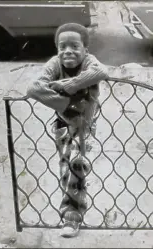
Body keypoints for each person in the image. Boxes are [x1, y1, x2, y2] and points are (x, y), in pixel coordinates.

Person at [26, 23, 108, 238]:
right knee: (67, 169)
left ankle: (72, 215)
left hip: (86, 125)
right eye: (62, 46)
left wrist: (68, 85)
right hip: (64, 124)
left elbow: (101, 71)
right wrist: (68, 103)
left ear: (85, 50)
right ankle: (72, 207)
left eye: (74, 46)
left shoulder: (89, 62)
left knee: (77, 163)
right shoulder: (55, 63)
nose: (68, 51)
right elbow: (34, 88)